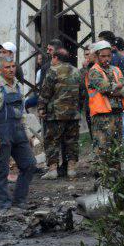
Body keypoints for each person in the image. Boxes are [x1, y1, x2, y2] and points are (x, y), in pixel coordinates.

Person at [0, 57, 37, 210]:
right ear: (0, 70)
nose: (11, 69)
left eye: (13, 66)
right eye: (7, 67)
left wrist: (27, 133)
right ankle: (5, 206)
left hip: (18, 132)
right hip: (1, 133)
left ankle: (19, 201)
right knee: (1, 171)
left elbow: (22, 113)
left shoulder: (18, 86)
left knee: (29, 165)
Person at [38, 48, 84, 179]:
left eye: (52, 57)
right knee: (72, 141)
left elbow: (45, 92)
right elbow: (82, 94)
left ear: (56, 58)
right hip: (73, 114)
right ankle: (71, 169)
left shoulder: (52, 71)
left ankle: (52, 170)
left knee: (52, 141)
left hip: (55, 115)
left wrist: (41, 108)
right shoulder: (77, 72)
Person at [85, 41, 124, 159]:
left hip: (117, 114)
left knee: (116, 147)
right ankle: (102, 175)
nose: (106, 59)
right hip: (101, 116)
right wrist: (117, 86)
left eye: (108, 56)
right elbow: (105, 88)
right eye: (103, 56)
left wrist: (116, 88)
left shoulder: (115, 70)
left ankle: (115, 174)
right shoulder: (94, 71)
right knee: (102, 148)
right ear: (96, 56)